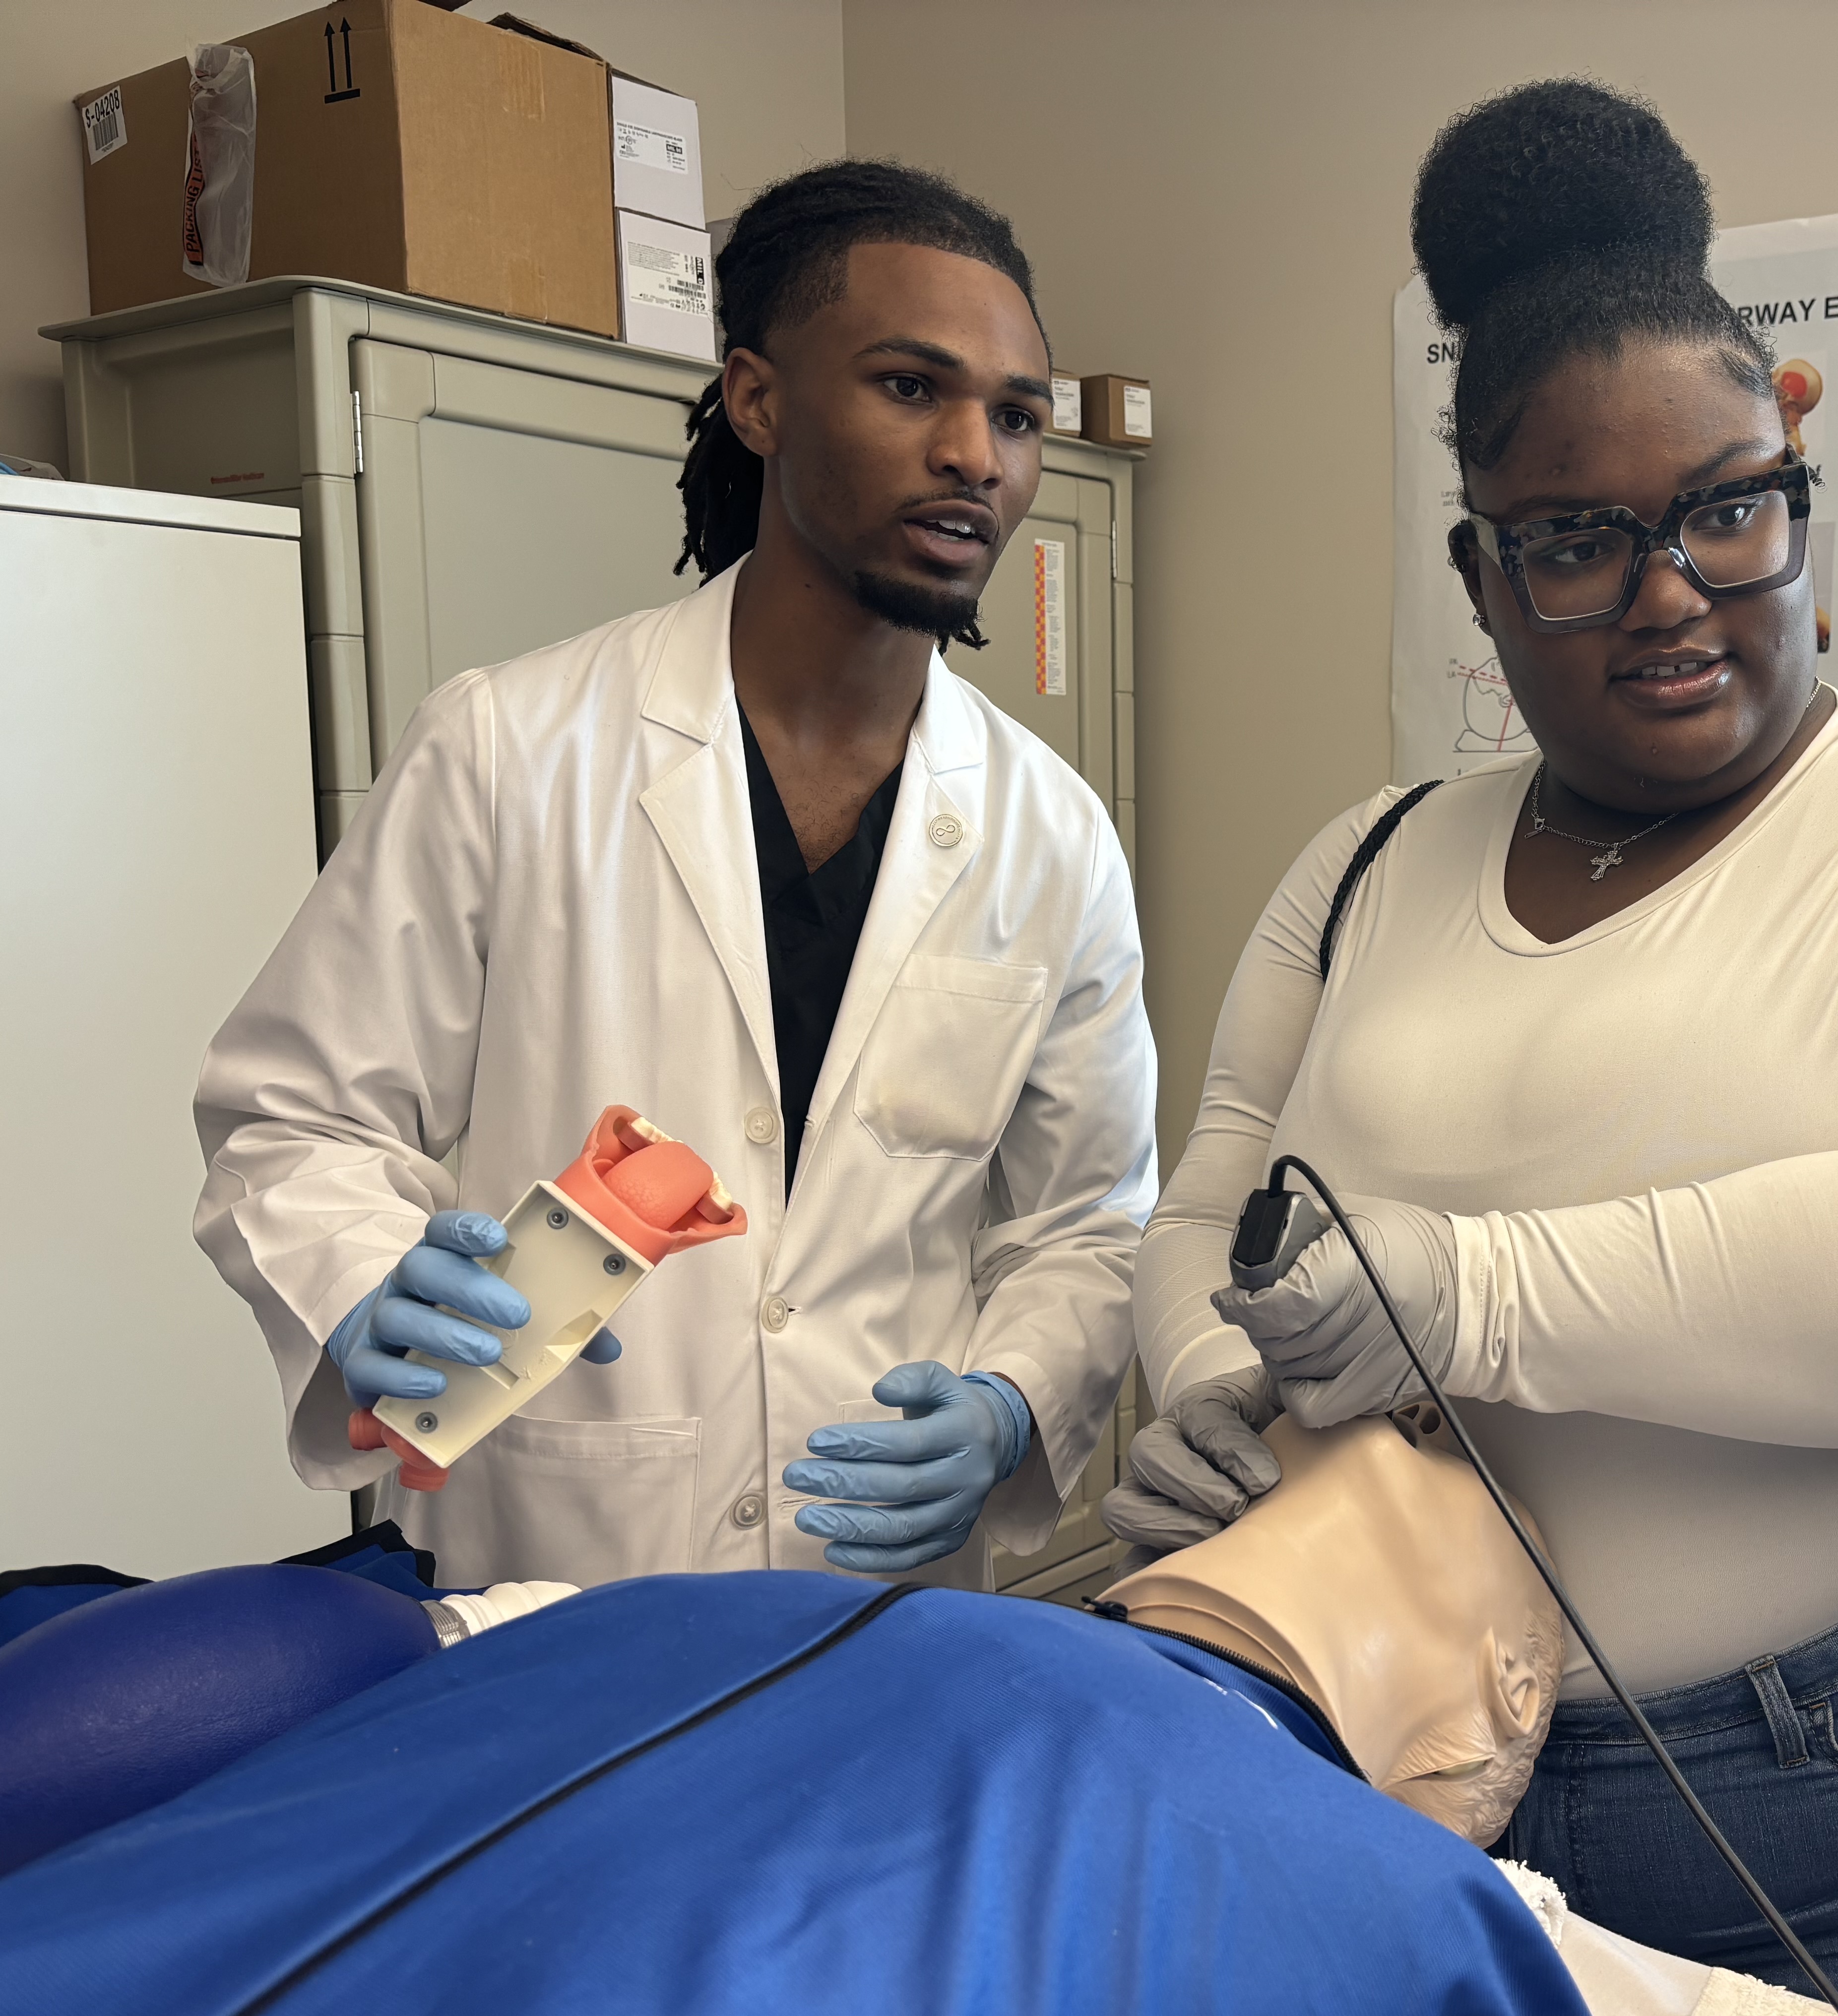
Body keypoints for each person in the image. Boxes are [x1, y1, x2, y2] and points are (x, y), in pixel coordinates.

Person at [1106, 82, 1838, 2016]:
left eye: (1724, 507)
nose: (1673, 587)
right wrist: (1214, 1383)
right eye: (1577, 540)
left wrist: (1460, 1290)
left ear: (1799, 496)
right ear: (1477, 574)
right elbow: (1215, 1195)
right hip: (1408, 1771)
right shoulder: (1364, 860)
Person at [194, 162, 1157, 1593]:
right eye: (911, 387)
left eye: (1015, 416)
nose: (976, 453)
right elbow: (294, 1114)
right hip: (560, 1562)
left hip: (877, 1591)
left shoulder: (1051, 832)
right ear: (758, 399)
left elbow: (1083, 1220)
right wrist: (360, 1280)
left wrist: (1012, 1400)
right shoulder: (510, 746)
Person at [0, 1420, 1838, 2016]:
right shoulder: (1409, 1895)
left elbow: (232, 1655)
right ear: (1487, 1741)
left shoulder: (650, 1608)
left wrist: (1008, 1393)